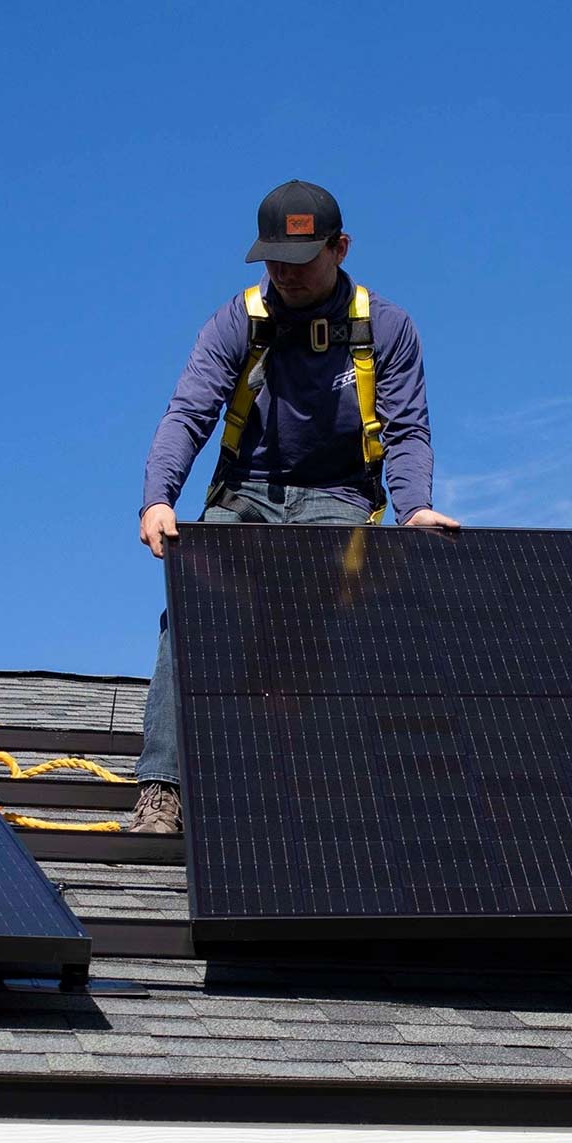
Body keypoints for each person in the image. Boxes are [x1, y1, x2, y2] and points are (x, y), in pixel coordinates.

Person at [129, 180, 458, 834]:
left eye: (301, 260)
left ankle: (343, 787)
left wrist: (415, 508)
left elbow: (407, 430)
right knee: (189, 612)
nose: (284, 273)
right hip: (246, 492)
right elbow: (189, 413)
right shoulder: (237, 321)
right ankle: (162, 789)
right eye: (273, 259)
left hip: (340, 498)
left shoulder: (384, 327)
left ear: (340, 248)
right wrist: (158, 498)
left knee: (339, 614)